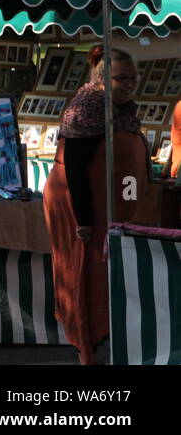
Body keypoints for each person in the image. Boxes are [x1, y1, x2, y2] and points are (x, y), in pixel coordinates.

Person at [43, 47, 149, 365]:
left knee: (106, 275)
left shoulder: (121, 108)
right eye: (122, 78)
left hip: (108, 208)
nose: (130, 84)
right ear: (102, 80)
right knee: (85, 274)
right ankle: (87, 349)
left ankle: (104, 341)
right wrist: (84, 220)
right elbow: (75, 167)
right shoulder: (87, 107)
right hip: (82, 208)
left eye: (133, 78)